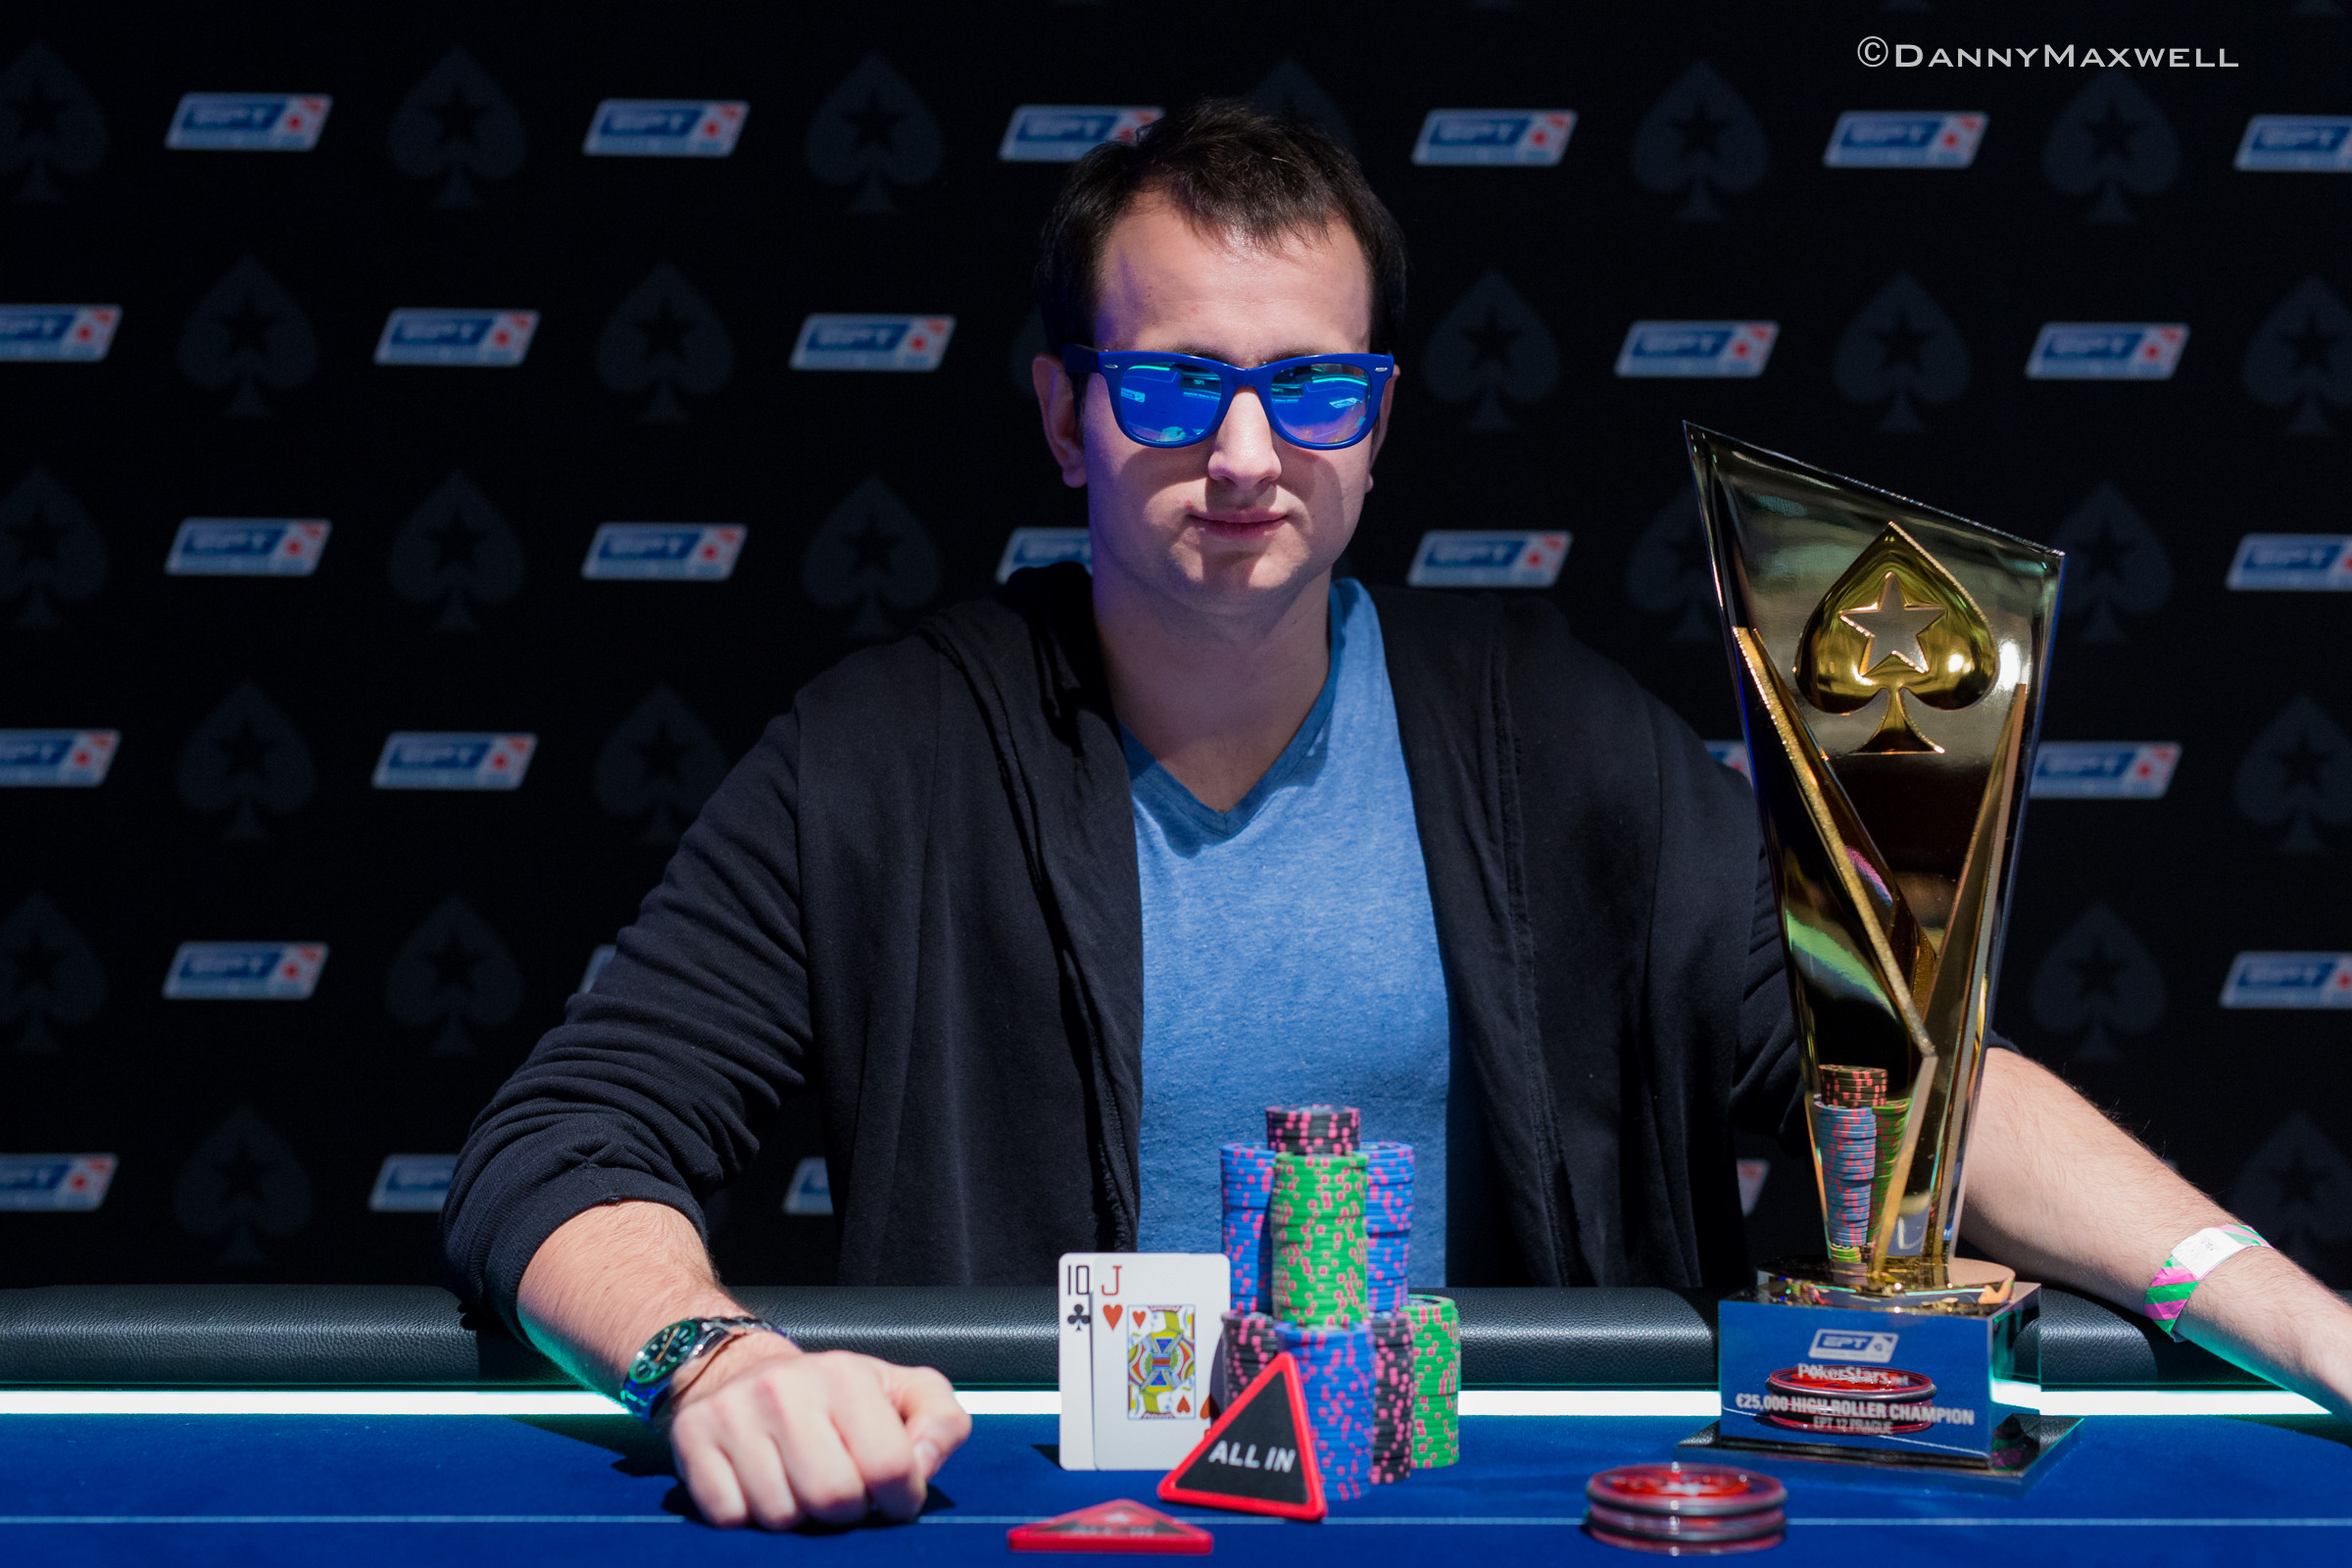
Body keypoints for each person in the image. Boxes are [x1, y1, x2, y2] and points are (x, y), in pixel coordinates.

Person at [442, 101, 2352, 1532]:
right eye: (1172, 387)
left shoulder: (1550, 736)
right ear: (1062, 414)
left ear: (1378, 416)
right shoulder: (885, 754)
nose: (1246, 455)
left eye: (1310, 387)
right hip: (1040, 1520)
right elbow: (562, 1149)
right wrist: (714, 1359)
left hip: (1488, 1520)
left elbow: (1902, 1073)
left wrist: (2282, 1306)